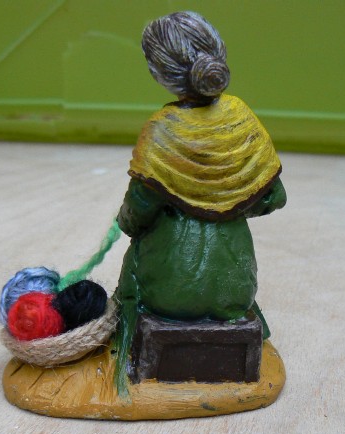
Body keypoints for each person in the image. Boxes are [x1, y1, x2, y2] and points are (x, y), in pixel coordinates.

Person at [114, 12, 286, 389]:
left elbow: (137, 213)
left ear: (159, 71)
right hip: (234, 289)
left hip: (168, 293)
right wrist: (228, 199)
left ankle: (128, 345)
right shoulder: (241, 118)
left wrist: (127, 221)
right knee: (227, 276)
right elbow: (273, 197)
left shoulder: (163, 130)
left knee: (136, 265)